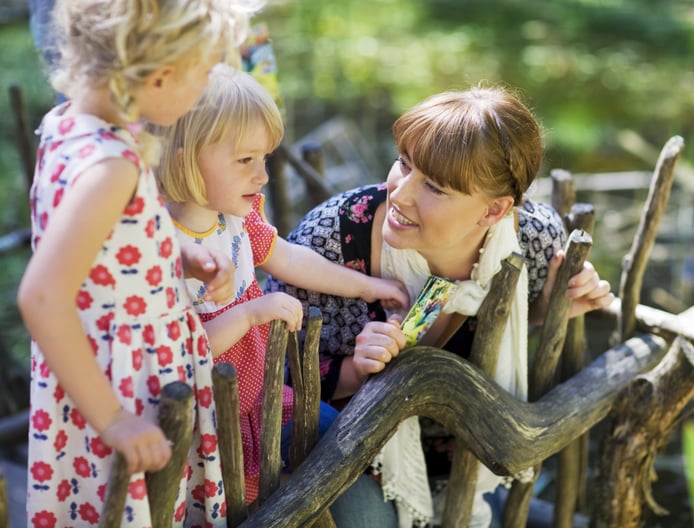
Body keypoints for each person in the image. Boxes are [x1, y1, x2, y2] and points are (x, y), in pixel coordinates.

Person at [266, 84, 615, 527]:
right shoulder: (330, 240)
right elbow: (265, 376)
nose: (401, 193)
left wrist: (550, 309)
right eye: (403, 164)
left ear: (494, 212)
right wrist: (356, 369)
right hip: (347, 457)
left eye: (434, 186)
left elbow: (511, 321)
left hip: (467, 464)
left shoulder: (531, 242)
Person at [16, 0, 254, 525]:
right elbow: (41, 296)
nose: (203, 89)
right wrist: (115, 421)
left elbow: (103, 238)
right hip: (119, 383)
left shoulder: (70, 124)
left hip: (107, 371)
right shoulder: (110, 168)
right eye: (202, 72)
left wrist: (175, 250)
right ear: (160, 73)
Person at [156, 63, 409, 506]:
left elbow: (289, 257)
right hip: (213, 424)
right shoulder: (158, 245)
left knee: (344, 443)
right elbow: (182, 350)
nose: (263, 177)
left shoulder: (236, 216)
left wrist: (366, 286)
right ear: (186, 157)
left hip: (264, 396)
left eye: (265, 159)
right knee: (252, 506)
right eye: (245, 160)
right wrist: (251, 312)